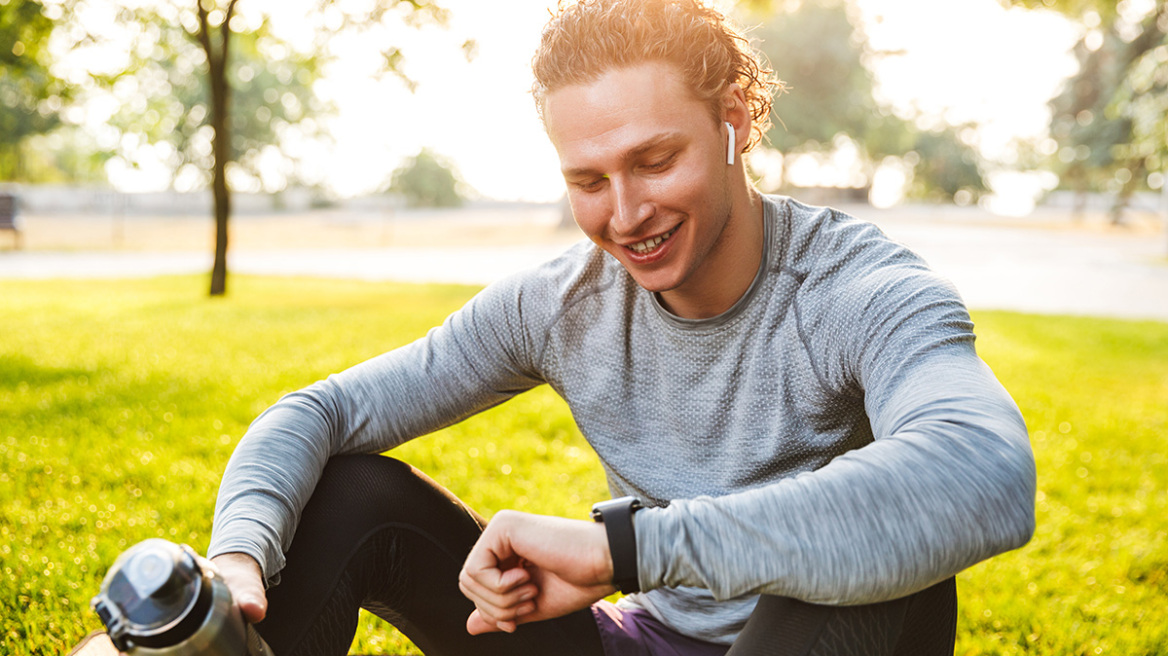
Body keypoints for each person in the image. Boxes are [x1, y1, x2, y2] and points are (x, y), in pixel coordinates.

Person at [206, 1, 1037, 654]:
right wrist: (240, 553)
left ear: (734, 121)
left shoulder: (856, 287)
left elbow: (985, 469)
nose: (627, 213)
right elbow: (319, 412)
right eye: (589, 179)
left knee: (882, 554)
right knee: (352, 492)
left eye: (654, 160)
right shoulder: (562, 304)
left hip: (827, 637)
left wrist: (626, 551)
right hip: (637, 643)